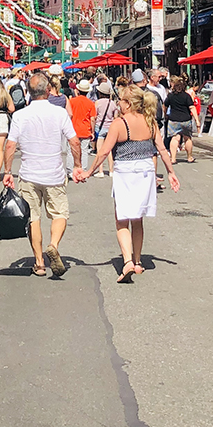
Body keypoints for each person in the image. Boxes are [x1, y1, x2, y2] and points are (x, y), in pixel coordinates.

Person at [77, 87, 180, 281]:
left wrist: (89, 171)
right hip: (145, 170)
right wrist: (171, 172)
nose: (118, 104)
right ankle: (139, 261)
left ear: (129, 103)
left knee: (122, 219)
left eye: (121, 101)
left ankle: (127, 262)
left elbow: (104, 151)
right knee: (138, 219)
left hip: (125, 171)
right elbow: (162, 149)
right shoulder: (150, 121)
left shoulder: (119, 123)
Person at [3, 72, 80, 277]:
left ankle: (39, 263)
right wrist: (78, 165)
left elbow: (10, 145)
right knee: (60, 214)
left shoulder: (20, 115)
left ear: (28, 92)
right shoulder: (60, 113)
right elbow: (74, 141)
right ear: (48, 91)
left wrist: (7, 171)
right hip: (54, 173)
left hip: (29, 175)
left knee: (33, 218)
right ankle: (53, 245)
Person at [68, 78, 98, 179]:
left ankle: (70, 170)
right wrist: (92, 131)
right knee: (84, 151)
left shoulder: (72, 101)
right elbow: (92, 119)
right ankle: (83, 169)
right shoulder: (90, 103)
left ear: (78, 90)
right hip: (85, 129)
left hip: (73, 129)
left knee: (71, 150)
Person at [163, 76, 197, 163]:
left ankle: (173, 159)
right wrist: (197, 120)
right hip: (186, 119)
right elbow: (192, 107)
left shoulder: (170, 96)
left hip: (174, 119)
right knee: (187, 138)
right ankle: (189, 157)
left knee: (174, 139)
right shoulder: (186, 96)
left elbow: (165, 106)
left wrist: (165, 114)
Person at [91, 78, 118, 176]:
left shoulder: (97, 103)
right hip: (110, 127)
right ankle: (111, 170)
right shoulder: (113, 103)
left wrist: (93, 130)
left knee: (100, 150)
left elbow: (94, 116)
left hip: (100, 127)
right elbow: (115, 117)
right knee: (109, 150)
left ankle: (101, 170)